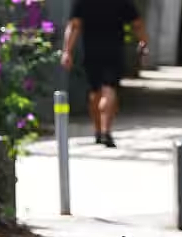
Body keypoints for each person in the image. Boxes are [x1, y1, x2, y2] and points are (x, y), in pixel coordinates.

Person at [61, 0, 149, 148]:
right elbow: (137, 24)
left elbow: (74, 26)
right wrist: (143, 42)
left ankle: (97, 130)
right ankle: (105, 131)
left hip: (91, 52)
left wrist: (67, 51)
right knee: (109, 89)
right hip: (114, 52)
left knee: (95, 92)